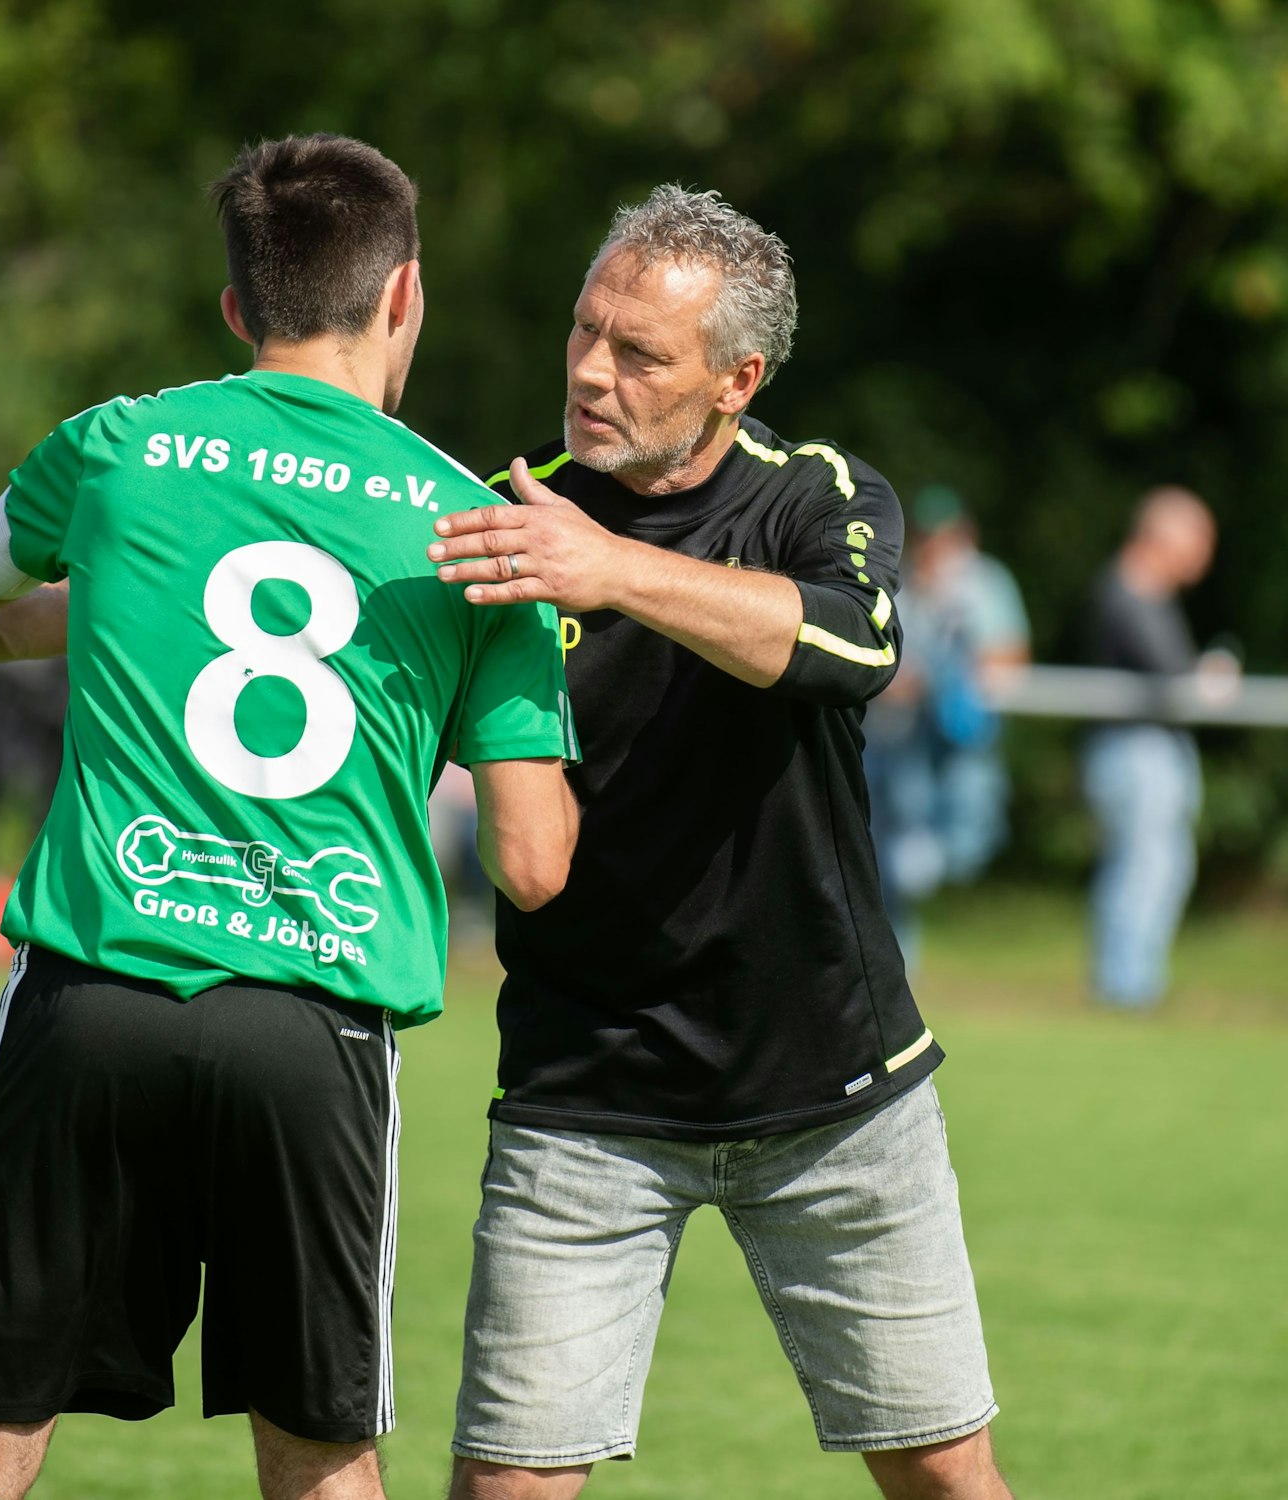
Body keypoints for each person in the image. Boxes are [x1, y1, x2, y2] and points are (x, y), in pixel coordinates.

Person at [0, 134, 579, 1500]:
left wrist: (92, 628)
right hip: (309, 1030)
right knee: (321, 1461)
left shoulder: (116, 447)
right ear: (405, 298)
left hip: (91, 992)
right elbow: (533, 862)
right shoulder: (476, 529)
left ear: (234, 309)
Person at [423, 186, 1013, 1500]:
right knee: (506, 1486)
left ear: (737, 379)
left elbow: (852, 648)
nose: (590, 370)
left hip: (837, 1094)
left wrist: (616, 573)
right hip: (586, 1097)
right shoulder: (512, 518)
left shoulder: (820, 496)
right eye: (587, 330)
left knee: (946, 1478)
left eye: (639, 354)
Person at [864, 485, 1031, 961]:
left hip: (963, 737)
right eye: (928, 535)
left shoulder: (986, 583)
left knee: (969, 836)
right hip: (900, 738)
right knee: (889, 856)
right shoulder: (899, 581)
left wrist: (949, 669)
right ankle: (897, 969)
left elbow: (1011, 653)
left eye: (945, 534)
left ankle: (928, 862)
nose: (936, 544)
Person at [1079, 486, 1223, 1007]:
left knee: (1159, 866)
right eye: (1201, 537)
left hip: (1145, 750)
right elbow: (1171, 674)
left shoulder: (1147, 592)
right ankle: (1124, 987)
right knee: (1139, 866)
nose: (1206, 551)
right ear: (1167, 536)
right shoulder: (1130, 589)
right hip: (1134, 752)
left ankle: (1135, 982)